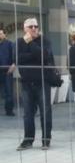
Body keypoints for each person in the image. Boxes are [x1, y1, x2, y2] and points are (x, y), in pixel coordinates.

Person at [16, 18, 55, 150]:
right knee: (27, 113)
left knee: (45, 112)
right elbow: (17, 58)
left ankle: (46, 140)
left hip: (42, 83)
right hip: (26, 83)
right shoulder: (19, 42)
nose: (34, 28)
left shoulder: (45, 41)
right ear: (24, 29)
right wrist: (34, 55)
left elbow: (44, 56)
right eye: (30, 26)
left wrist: (31, 43)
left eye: (36, 26)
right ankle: (28, 140)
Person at [0, 28, 15, 116]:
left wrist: (13, 64)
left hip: (7, 72)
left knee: (9, 92)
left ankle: (9, 111)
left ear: (5, 35)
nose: (0, 35)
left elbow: (14, 56)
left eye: (1, 34)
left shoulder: (10, 44)